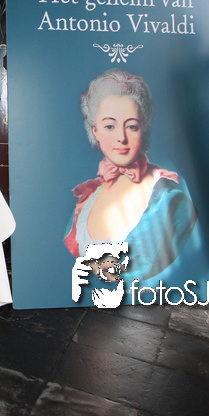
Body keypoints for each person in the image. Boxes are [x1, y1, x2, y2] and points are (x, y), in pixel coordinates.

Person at [64, 68, 197, 281]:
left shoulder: (171, 200)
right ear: (96, 130)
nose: (121, 138)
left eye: (132, 126)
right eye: (110, 126)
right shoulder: (87, 199)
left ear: (143, 128)